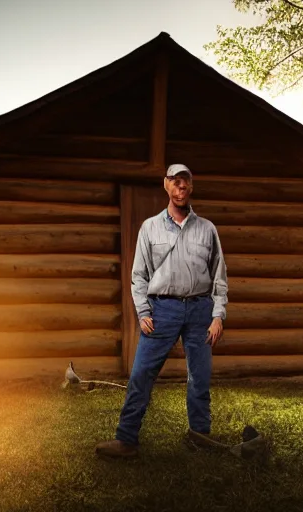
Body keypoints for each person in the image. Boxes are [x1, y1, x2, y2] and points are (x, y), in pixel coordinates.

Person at [95, 163, 229, 458]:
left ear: (191, 187)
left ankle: (199, 436)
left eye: (186, 183)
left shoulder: (207, 229)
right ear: (165, 185)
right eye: (175, 182)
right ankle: (126, 439)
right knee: (142, 373)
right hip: (162, 311)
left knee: (200, 376)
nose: (181, 187)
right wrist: (144, 312)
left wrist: (218, 315)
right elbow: (139, 275)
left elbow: (219, 276)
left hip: (200, 311)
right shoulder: (150, 227)